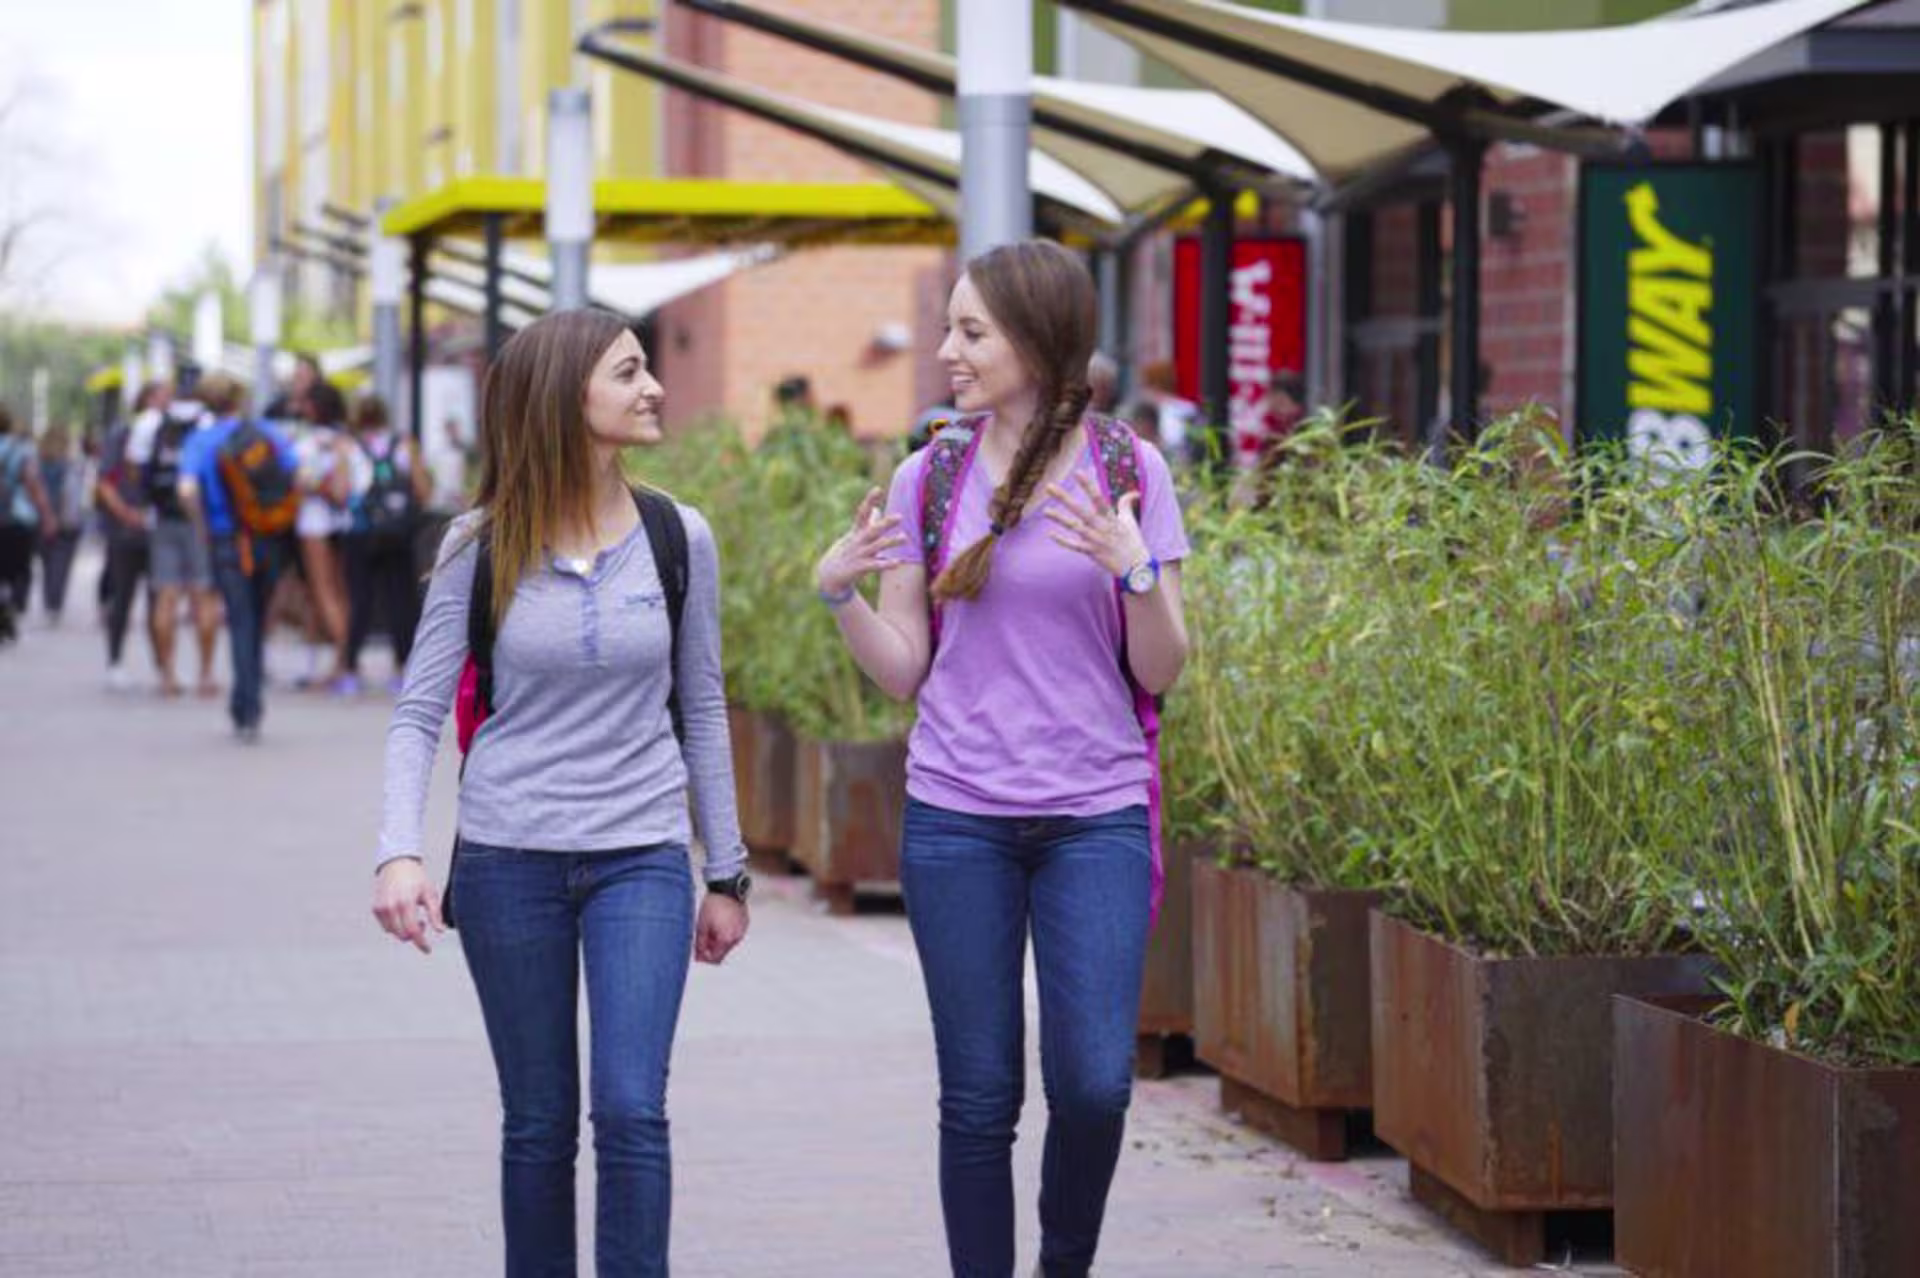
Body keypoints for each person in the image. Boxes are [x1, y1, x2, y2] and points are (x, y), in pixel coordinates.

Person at [814, 240, 1192, 1278]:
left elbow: (1159, 670)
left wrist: (1138, 573)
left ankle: (1062, 1264)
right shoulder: (926, 478)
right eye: (950, 327)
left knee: (1094, 1087)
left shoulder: (1130, 471)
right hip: (958, 819)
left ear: (1035, 339)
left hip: (1096, 815)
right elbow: (904, 672)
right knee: (979, 1097)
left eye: (971, 331)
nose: (948, 351)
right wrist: (839, 594)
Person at [371, 308, 751, 1277]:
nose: (653, 386)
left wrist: (730, 874)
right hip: (508, 864)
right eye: (628, 373)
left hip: (641, 855)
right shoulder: (477, 543)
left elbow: (701, 704)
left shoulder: (678, 536)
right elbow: (418, 712)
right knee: (539, 1125)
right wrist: (399, 850)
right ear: (565, 397)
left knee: (631, 1110)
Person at [177, 373, 299, 742]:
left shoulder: (199, 441)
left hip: (228, 539)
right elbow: (298, 473)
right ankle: (250, 696)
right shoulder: (265, 432)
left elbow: (186, 492)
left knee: (241, 619)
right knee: (258, 618)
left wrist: (202, 528)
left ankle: (246, 706)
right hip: (269, 537)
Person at [130, 379, 223, 698]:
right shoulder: (209, 422)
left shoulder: (149, 423)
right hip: (200, 519)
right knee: (204, 596)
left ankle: (167, 675)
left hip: (162, 518)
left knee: (165, 598)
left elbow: (136, 471)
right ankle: (206, 674)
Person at [338, 393, 431, 695]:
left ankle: (350, 670)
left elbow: (340, 491)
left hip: (360, 533)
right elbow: (422, 490)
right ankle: (402, 669)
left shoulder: (347, 446)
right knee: (400, 601)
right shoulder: (405, 444)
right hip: (398, 535)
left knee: (360, 601)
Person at [291, 382, 353, 691]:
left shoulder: (309, 442)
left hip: (314, 522)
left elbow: (302, 482)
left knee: (324, 593)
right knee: (337, 593)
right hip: (343, 522)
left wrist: (316, 488)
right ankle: (323, 663)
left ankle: (344, 662)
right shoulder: (345, 439)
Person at [96, 387, 160, 688]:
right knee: (123, 596)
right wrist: (125, 513)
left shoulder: (168, 435)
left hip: (156, 529)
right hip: (125, 531)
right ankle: (115, 660)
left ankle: (163, 663)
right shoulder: (120, 435)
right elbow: (105, 482)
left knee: (159, 598)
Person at [0, 402, 57, 642]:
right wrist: (47, 515)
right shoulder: (21, 450)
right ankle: (11, 605)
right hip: (18, 518)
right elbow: (33, 484)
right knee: (20, 570)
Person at [34, 425, 90, 626]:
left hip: (40, 518)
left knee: (48, 562)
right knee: (62, 564)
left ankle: (50, 600)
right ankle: (55, 604)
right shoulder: (69, 464)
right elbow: (72, 493)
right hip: (66, 520)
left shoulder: (38, 463)